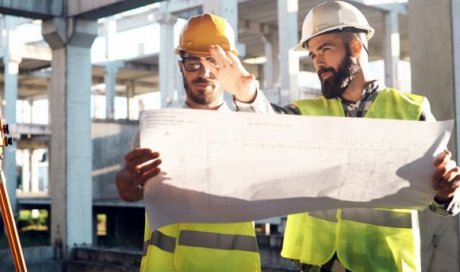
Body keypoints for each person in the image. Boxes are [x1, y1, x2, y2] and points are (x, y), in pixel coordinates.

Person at [202, 1, 460, 271]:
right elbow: (269, 128)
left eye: (325, 49)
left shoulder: (411, 111)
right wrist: (247, 95)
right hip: (317, 264)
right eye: (313, 55)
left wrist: (446, 193)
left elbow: (445, 204)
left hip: (383, 263)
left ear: (356, 47)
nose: (318, 62)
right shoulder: (307, 113)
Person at [116, 13, 261, 272]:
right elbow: (138, 190)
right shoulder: (154, 133)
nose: (203, 73)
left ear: (229, 65)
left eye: (213, 62)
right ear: (180, 65)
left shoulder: (250, 132)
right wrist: (129, 187)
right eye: (193, 62)